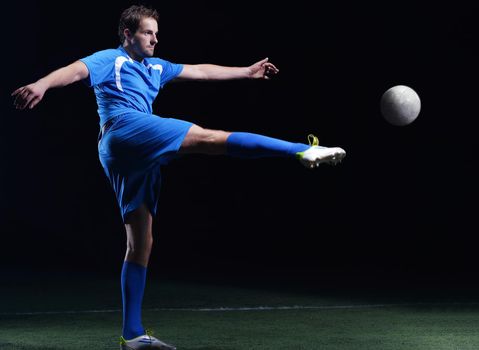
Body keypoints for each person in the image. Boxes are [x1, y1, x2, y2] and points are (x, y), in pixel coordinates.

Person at [11, 4, 346, 350]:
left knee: (140, 243)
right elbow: (75, 70)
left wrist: (246, 72)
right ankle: (301, 150)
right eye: (147, 32)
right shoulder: (111, 58)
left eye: (156, 33)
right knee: (208, 137)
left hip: (124, 153)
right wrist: (42, 84)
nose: (155, 38)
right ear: (128, 35)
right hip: (125, 128)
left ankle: (132, 335)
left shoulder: (157, 66)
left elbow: (200, 71)